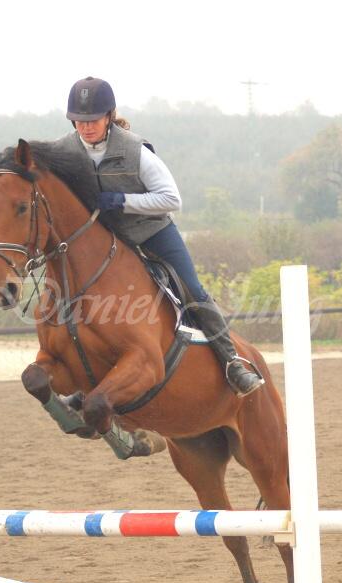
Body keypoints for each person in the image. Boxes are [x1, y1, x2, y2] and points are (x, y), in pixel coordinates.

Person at [56, 76, 262, 396]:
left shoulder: (134, 150)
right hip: (106, 239)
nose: (86, 127)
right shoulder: (64, 151)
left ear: (109, 116)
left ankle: (232, 362)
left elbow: (171, 199)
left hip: (151, 231)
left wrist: (123, 201)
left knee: (191, 288)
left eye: (92, 120)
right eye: (79, 121)